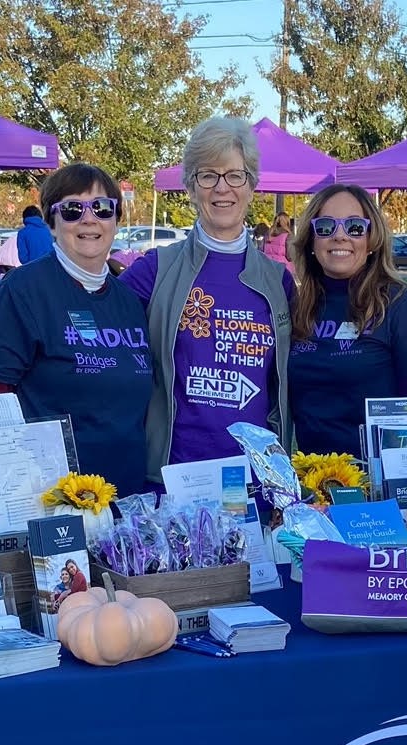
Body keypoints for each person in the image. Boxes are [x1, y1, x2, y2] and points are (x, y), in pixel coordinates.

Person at [119, 116, 293, 483]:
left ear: (251, 185)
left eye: (234, 175)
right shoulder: (156, 270)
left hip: (255, 484)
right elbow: (93, 312)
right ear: (191, 187)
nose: (221, 188)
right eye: (207, 175)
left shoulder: (279, 282)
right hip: (174, 478)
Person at [0, 163, 152, 495]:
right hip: (50, 499)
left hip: (127, 500)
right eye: (72, 209)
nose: (89, 219)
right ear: (51, 223)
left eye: (102, 208)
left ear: (117, 220)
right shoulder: (24, 290)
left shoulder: (130, 302)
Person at [286, 183, 407, 456]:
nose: (340, 236)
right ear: (312, 240)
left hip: (378, 485)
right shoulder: (298, 306)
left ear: (372, 240)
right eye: (326, 226)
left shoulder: (405, 307)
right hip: (311, 484)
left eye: (354, 227)